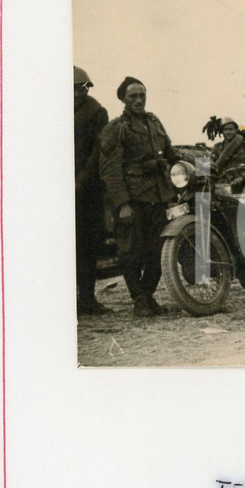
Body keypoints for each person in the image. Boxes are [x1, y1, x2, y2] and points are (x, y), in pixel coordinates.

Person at [98, 76, 181, 316]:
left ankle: (147, 296)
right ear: (123, 98)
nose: (139, 100)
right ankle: (139, 300)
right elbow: (110, 170)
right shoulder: (116, 128)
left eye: (142, 95)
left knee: (159, 249)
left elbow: (170, 151)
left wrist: (194, 161)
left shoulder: (154, 122)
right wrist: (122, 204)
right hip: (133, 200)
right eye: (133, 96)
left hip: (159, 196)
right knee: (131, 251)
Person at [73, 66, 112, 315]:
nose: (77, 93)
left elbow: (98, 152)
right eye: (73, 89)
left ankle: (87, 298)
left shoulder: (97, 112)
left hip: (87, 189)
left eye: (81, 88)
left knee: (87, 245)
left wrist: (80, 181)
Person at [211, 118, 245, 192]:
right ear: (222, 132)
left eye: (231, 129)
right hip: (222, 187)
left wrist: (243, 177)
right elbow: (211, 168)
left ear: (236, 130)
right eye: (225, 130)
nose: (228, 132)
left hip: (244, 187)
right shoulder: (217, 148)